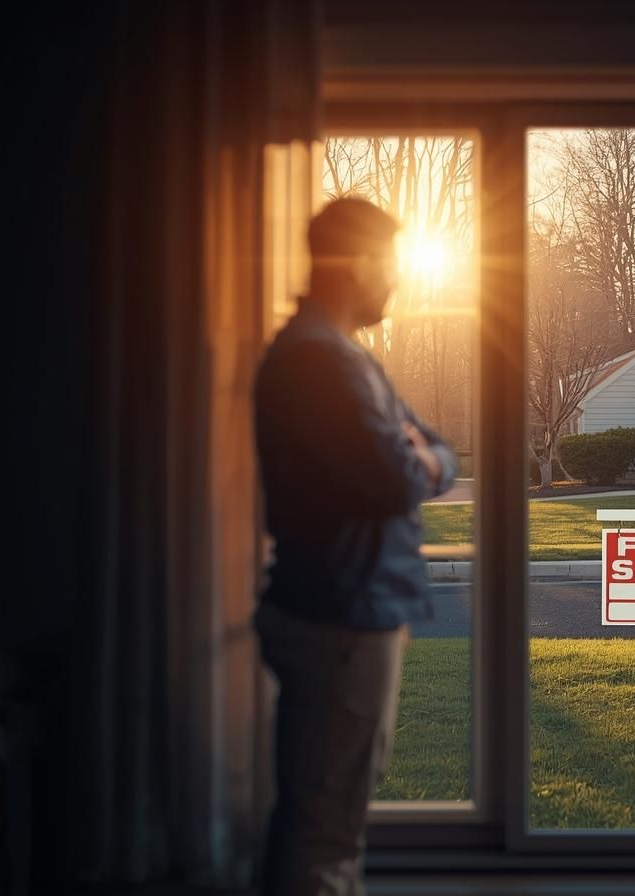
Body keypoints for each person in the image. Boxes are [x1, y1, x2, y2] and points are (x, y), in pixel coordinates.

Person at [251, 196, 457, 895]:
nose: (396, 281)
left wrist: (423, 457)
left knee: (331, 811)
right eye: (391, 264)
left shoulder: (342, 357)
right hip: (340, 616)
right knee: (325, 827)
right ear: (359, 262)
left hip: (351, 610)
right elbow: (401, 476)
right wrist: (420, 460)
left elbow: (439, 449)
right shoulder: (320, 364)